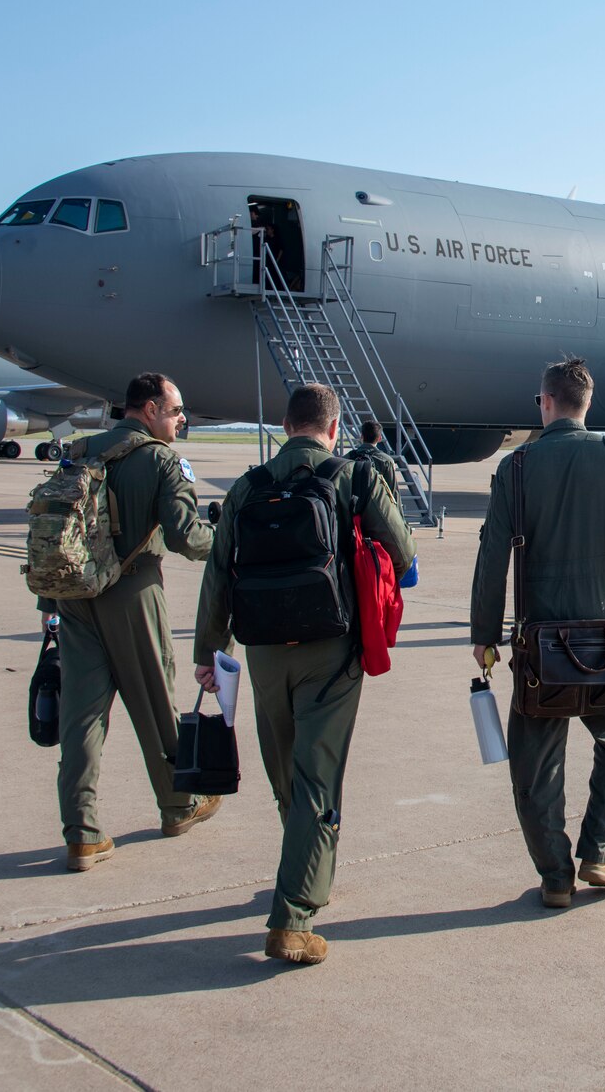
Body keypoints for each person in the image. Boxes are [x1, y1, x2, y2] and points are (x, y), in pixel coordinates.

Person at [195, 382, 416, 965]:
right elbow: (404, 551)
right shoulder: (353, 476)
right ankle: (292, 916)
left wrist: (207, 653)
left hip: (264, 651)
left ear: (287, 426)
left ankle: (307, 869)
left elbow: (218, 574)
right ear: (333, 428)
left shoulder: (248, 485)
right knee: (318, 777)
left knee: (287, 775)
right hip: (331, 648)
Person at [470, 357, 605, 909]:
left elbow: (492, 558)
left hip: (540, 644)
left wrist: (485, 634)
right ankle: (598, 850)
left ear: (545, 402)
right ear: (587, 404)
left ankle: (555, 876)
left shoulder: (517, 466)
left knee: (535, 764)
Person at [48, 372, 219, 872]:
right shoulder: (160, 459)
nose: (181, 418)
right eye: (174, 410)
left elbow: (54, 530)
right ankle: (178, 804)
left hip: (75, 597)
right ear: (147, 409)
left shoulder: (80, 452)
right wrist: (228, 541)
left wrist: (48, 606)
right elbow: (187, 538)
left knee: (80, 716)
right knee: (155, 705)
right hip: (132, 591)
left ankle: (81, 833)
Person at [347, 419, 401, 495]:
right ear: (379, 438)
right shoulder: (386, 461)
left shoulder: (347, 458)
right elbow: (392, 492)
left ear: (361, 436)